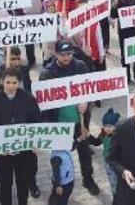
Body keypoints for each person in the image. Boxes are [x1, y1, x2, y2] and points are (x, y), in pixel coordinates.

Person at [39, 40, 100, 196]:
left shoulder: (81, 67)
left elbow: (90, 89)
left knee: (84, 152)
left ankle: (88, 178)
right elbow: (43, 102)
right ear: (56, 54)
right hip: (59, 122)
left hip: (79, 120)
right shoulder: (47, 73)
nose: (66, 57)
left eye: (69, 54)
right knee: (59, 156)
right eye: (62, 54)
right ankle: (57, 183)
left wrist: (86, 102)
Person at [0, 68, 40, 205]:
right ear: (2, 81)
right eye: (8, 82)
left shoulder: (27, 98)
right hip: (3, 153)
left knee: (23, 183)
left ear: (19, 83)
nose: (11, 86)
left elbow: (36, 119)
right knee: (5, 184)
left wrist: (35, 142)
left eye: (15, 82)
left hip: (25, 151)